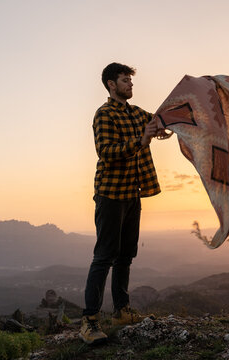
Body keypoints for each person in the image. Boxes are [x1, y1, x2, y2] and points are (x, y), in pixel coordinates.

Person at [79, 62, 163, 344]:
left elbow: (159, 121)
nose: (131, 85)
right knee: (104, 256)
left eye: (131, 80)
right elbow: (106, 151)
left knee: (126, 255)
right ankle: (89, 322)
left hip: (132, 193)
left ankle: (121, 311)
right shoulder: (104, 114)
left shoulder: (136, 114)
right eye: (125, 80)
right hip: (110, 194)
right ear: (111, 85)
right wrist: (141, 141)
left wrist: (172, 120)